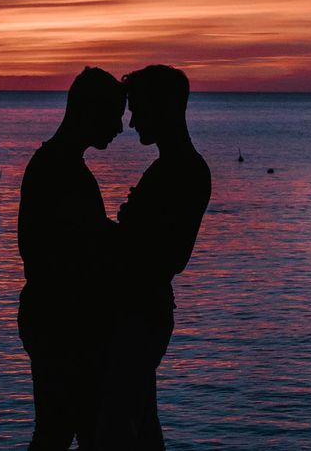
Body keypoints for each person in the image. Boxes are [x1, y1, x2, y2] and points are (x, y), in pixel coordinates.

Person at [98, 64, 211, 450]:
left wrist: (112, 234)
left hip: (141, 314)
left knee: (117, 424)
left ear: (163, 108)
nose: (131, 122)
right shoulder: (170, 168)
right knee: (140, 422)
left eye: (138, 109)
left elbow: (169, 257)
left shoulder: (184, 171)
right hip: (137, 311)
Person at [18, 67, 125, 450]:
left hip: (54, 320)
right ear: (90, 113)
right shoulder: (62, 171)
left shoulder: (55, 165)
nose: (119, 128)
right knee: (64, 432)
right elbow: (71, 252)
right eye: (114, 116)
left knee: (60, 430)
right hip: (63, 325)